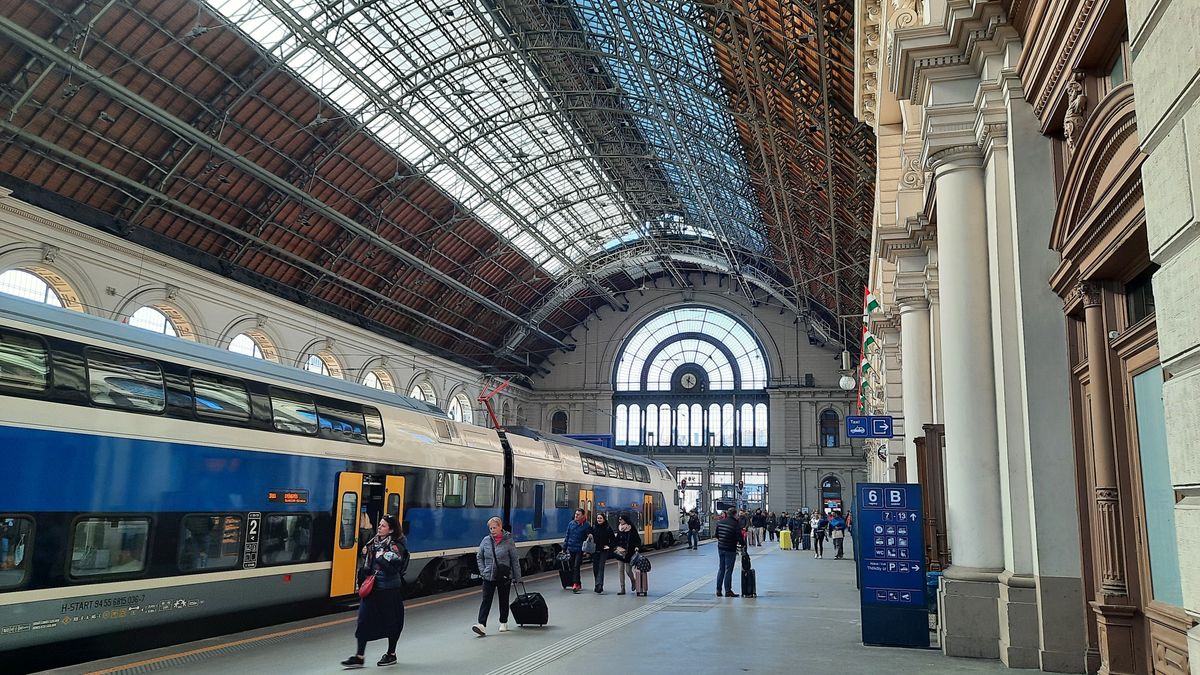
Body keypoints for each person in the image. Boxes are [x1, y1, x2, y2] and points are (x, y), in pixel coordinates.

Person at [342, 514, 406, 668]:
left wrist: (381, 558)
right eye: (379, 525)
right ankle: (359, 656)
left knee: (392, 622)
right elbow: (366, 564)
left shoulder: (396, 546)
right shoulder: (373, 542)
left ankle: (391, 653)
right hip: (372, 588)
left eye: (383, 526)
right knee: (363, 620)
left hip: (388, 590)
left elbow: (395, 569)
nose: (379, 528)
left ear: (390, 530)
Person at [473, 516, 522, 636]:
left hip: (504, 576)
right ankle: (481, 624)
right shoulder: (486, 540)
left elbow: (514, 559)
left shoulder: (508, 541)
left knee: (503, 600)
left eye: (495, 527)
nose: (492, 530)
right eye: (490, 528)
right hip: (488, 575)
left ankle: (503, 622)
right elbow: (479, 556)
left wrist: (517, 577)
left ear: (500, 527)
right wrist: (483, 571)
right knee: (486, 600)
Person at [715, 507, 746, 597]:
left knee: (721, 568)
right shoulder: (735, 524)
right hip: (730, 549)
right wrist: (743, 544)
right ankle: (728, 591)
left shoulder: (720, 522)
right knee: (728, 569)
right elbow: (739, 537)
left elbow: (717, 535)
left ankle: (718, 590)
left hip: (720, 548)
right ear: (735, 514)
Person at [612, 514, 643, 596]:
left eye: (621, 519)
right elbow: (617, 540)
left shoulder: (631, 529)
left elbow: (637, 540)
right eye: (619, 519)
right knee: (620, 570)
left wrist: (637, 547)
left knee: (628, 571)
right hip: (620, 553)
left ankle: (633, 580)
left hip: (629, 553)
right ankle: (622, 588)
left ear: (625, 520)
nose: (619, 521)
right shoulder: (619, 529)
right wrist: (616, 547)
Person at [563, 508, 592, 593]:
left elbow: (589, 538)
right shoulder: (571, 524)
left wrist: (587, 551)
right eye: (576, 514)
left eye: (578, 514)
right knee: (572, 567)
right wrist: (564, 548)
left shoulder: (586, 525)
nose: (576, 516)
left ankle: (575, 584)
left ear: (583, 516)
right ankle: (577, 583)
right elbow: (567, 536)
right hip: (571, 548)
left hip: (580, 549)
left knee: (576, 566)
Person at [590, 512, 614, 593]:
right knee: (595, 569)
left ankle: (599, 585)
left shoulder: (608, 528)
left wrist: (609, 546)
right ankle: (597, 584)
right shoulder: (593, 528)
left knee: (601, 568)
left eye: (600, 518)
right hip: (595, 551)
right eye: (598, 518)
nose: (599, 520)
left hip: (603, 551)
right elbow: (589, 538)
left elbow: (613, 539)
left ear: (604, 519)